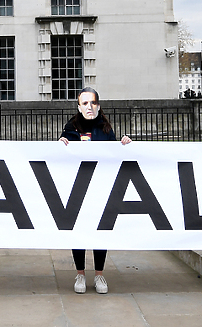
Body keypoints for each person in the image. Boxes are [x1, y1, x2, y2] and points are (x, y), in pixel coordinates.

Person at [59, 87, 131, 295]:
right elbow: (63, 154)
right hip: (78, 188)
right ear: (79, 106)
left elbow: (115, 154)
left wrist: (124, 144)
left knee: (100, 231)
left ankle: (99, 274)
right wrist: (62, 143)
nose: (89, 107)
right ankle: (80, 274)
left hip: (100, 187)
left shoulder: (106, 128)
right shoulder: (71, 127)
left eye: (93, 103)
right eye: (84, 103)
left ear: (98, 105)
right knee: (79, 231)